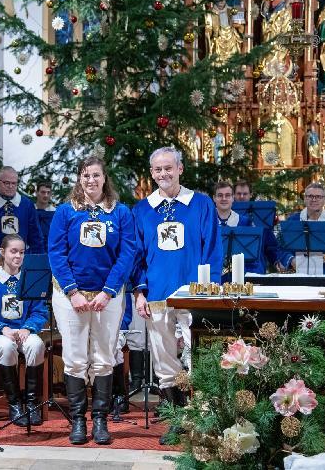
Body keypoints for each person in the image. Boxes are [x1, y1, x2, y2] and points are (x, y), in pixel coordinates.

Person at [132, 147, 222, 444]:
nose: (163, 174)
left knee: (198, 359)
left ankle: (203, 419)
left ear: (180, 169)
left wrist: (211, 289)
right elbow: (137, 256)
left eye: (168, 168)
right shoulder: (142, 210)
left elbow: (212, 249)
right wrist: (140, 291)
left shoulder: (201, 205)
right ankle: (176, 420)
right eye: (157, 170)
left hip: (194, 294)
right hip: (157, 296)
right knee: (164, 362)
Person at [48, 156, 137, 445]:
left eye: (96, 175)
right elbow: (56, 253)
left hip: (107, 297)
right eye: (85, 175)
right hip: (69, 296)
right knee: (74, 359)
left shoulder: (120, 212)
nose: (90, 180)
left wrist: (108, 291)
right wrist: (73, 292)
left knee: (103, 358)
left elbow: (127, 253)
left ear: (104, 178)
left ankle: (100, 420)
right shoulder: (65, 212)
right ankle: (77, 421)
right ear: (79, 178)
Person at [0, 234, 47, 426]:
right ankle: (14, 404)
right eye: (13, 251)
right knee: (6, 346)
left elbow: (39, 311)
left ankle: (31, 403)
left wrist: (28, 328)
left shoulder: (30, 278)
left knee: (37, 345)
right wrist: (2, 328)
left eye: (22, 252)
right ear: (2, 252)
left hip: (22, 331)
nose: (18, 256)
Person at [275, 183, 325, 276]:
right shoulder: (292, 221)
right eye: (310, 196)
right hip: (297, 275)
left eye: (318, 197)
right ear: (304, 199)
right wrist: (290, 260)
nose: (314, 199)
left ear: (324, 200)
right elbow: (279, 248)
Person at [213, 181, 265, 279]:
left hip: (238, 278)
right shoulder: (206, 222)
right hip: (212, 278)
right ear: (214, 198)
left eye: (228, 195)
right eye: (220, 195)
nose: (224, 199)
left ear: (233, 198)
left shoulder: (245, 223)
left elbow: (253, 257)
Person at [234, 179, 278, 271]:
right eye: (238, 193)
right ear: (233, 195)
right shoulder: (227, 215)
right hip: (231, 270)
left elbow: (271, 246)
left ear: (251, 195)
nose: (241, 197)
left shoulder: (261, 217)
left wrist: (277, 262)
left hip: (256, 269)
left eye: (245, 194)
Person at [35, 181, 56, 252]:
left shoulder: (55, 213)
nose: (46, 195)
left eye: (48, 193)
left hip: (50, 249)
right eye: (43, 192)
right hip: (32, 250)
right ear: (36, 193)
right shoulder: (30, 211)